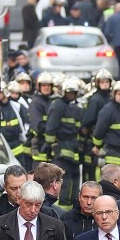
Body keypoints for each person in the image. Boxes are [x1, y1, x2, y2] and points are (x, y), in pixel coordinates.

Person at [45, 77, 83, 209]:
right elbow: (50, 129)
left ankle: (70, 208)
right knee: (63, 184)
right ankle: (60, 211)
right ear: (63, 92)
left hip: (72, 153)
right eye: (69, 93)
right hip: (61, 153)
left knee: (73, 183)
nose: (71, 95)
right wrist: (53, 147)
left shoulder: (71, 107)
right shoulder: (58, 105)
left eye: (73, 93)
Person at [92, 80, 120, 184]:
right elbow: (98, 133)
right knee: (111, 184)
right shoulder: (108, 110)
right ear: (114, 94)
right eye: (119, 94)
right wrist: (97, 146)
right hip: (111, 153)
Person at [80, 70, 114, 182]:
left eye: (106, 82)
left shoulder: (111, 98)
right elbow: (87, 121)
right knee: (92, 173)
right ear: (97, 83)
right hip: (94, 142)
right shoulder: (95, 99)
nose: (105, 84)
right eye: (102, 82)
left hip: (108, 141)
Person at [28, 72, 55, 164]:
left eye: (48, 85)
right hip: (40, 147)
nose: (46, 88)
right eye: (43, 85)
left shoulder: (53, 101)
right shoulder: (35, 103)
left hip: (52, 149)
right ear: (38, 86)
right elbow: (38, 126)